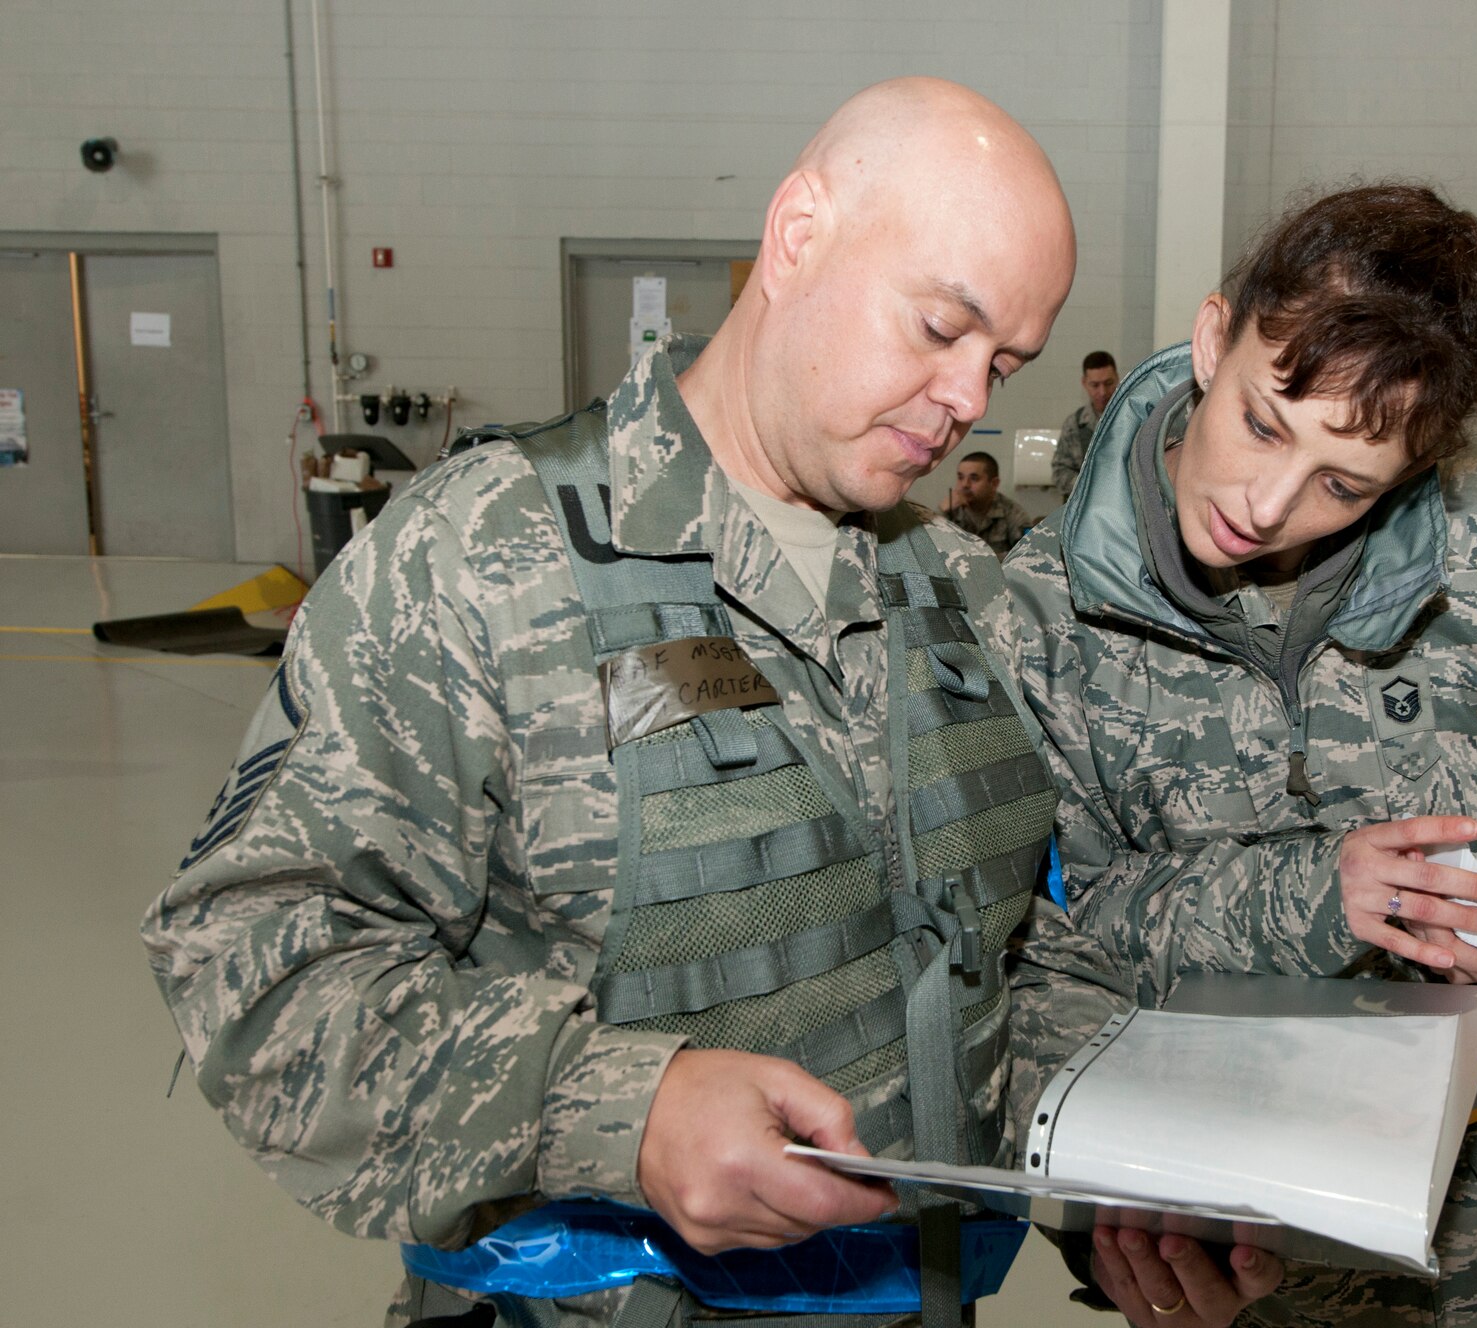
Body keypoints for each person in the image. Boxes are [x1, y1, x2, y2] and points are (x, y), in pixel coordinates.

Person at [140, 78, 1274, 1328]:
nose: (968, 400)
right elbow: (251, 964)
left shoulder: (959, 590)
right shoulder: (481, 559)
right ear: (795, 236)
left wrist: (1118, 1173)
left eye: (1001, 361)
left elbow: (993, 947)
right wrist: (619, 1112)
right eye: (939, 328)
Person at [1005, 183, 1477, 1327]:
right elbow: (1044, 944)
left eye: (1343, 484)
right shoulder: (1038, 622)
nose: (1265, 502)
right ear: (1212, 336)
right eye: (1259, 422)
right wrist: (1102, 1222)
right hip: (1247, 1253)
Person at [1051, 350, 1118, 500]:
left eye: (1108, 383)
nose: (1102, 392)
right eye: (1095, 385)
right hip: (1084, 507)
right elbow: (1059, 472)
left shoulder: (1133, 418)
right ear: (1084, 383)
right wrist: (1089, 486)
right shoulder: (1074, 424)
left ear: (1117, 379)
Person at [943, 450, 1034, 556]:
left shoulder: (1013, 512)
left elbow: (1027, 555)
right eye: (960, 477)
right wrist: (941, 513)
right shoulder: (950, 510)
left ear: (994, 483)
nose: (964, 485)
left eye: (974, 478)